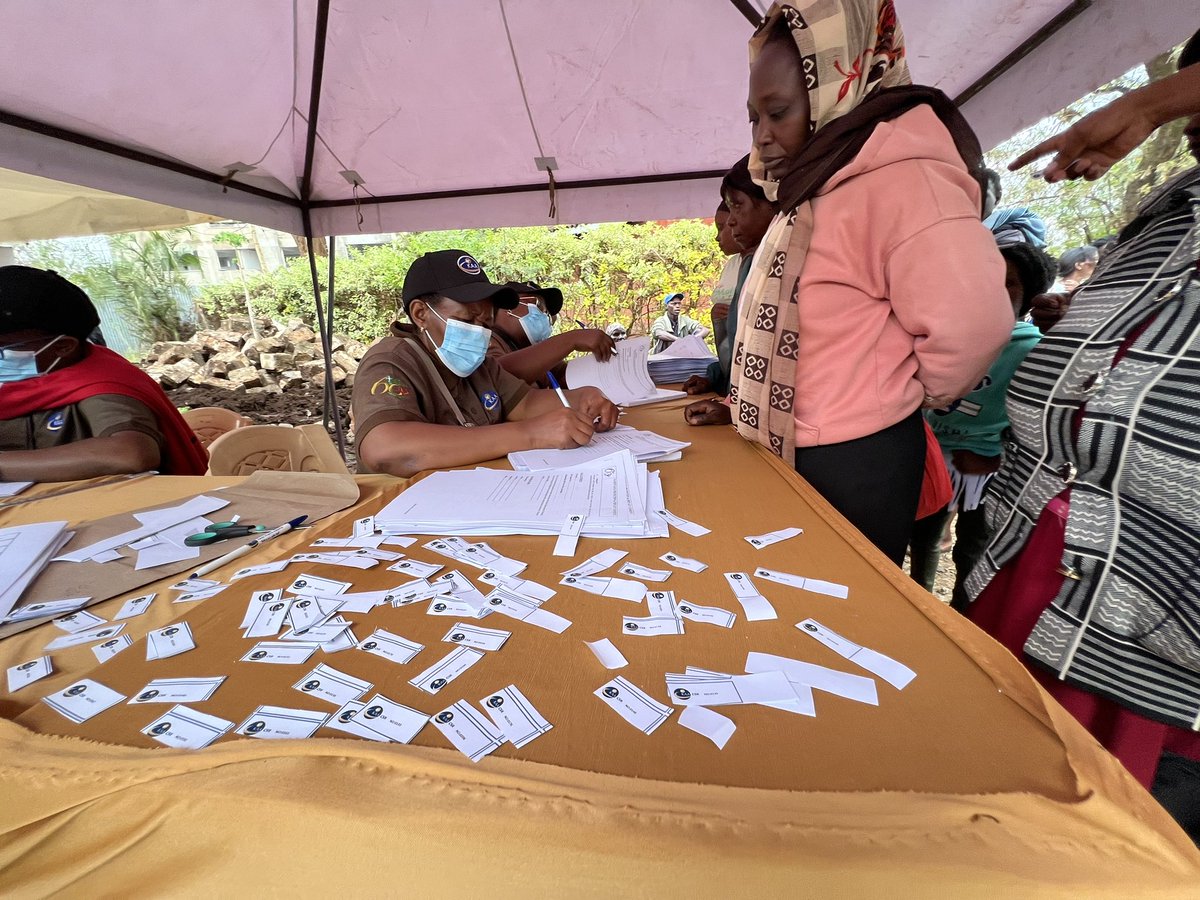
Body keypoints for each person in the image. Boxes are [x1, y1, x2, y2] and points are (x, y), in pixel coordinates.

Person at [966, 28, 1200, 841]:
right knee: (992, 801)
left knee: (1102, 840)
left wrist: (1153, 100)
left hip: (1151, 629)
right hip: (1034, 563)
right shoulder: (1168, 213)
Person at [689, 1, 1012, 565]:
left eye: (779, 112)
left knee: (839, 610)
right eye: (754, 117)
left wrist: (890, 393)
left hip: (856, 459)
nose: (761, 137)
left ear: (839, 87)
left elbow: (974, 324)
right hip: (793, 446)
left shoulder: (906, 179)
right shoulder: (814, 183)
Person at [351, 250, 619, 478]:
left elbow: (525, 404)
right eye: (467, 321)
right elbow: (384, 448)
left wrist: (581, 399)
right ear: (421, 314)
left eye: (486, 323)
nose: (479, 333)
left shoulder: (479, 366)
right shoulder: (392, 361)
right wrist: (530, 434)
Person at [908, 241, 1056, 609]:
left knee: (973, 545)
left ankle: (963, 615)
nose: (991, 289)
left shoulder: (1035, 350)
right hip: (933, 458)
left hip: (988, 465)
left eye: (1008, 283)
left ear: (1031, 295)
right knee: (924, 536)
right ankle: (918, 606)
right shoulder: (943, 337)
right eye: (983, 277)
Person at [0, 266, 208, 481]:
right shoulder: (20, 381)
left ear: (63, 346)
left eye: (2, 347)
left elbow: (130, 454)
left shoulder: (100, 383)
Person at [684, 155, 779, 398]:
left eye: (738, 206)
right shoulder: (748, 264)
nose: (732, 221)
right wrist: (715, 379)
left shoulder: (778, 265)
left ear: (772, 203)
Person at [486, 280, 616, 385]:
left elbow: (564, 376)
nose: (544, 316)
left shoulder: (529, 347)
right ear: (506, 307)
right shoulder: (486, 340)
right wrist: (571, 340)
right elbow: (499, 375)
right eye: (538, 306)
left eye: (547, 313)